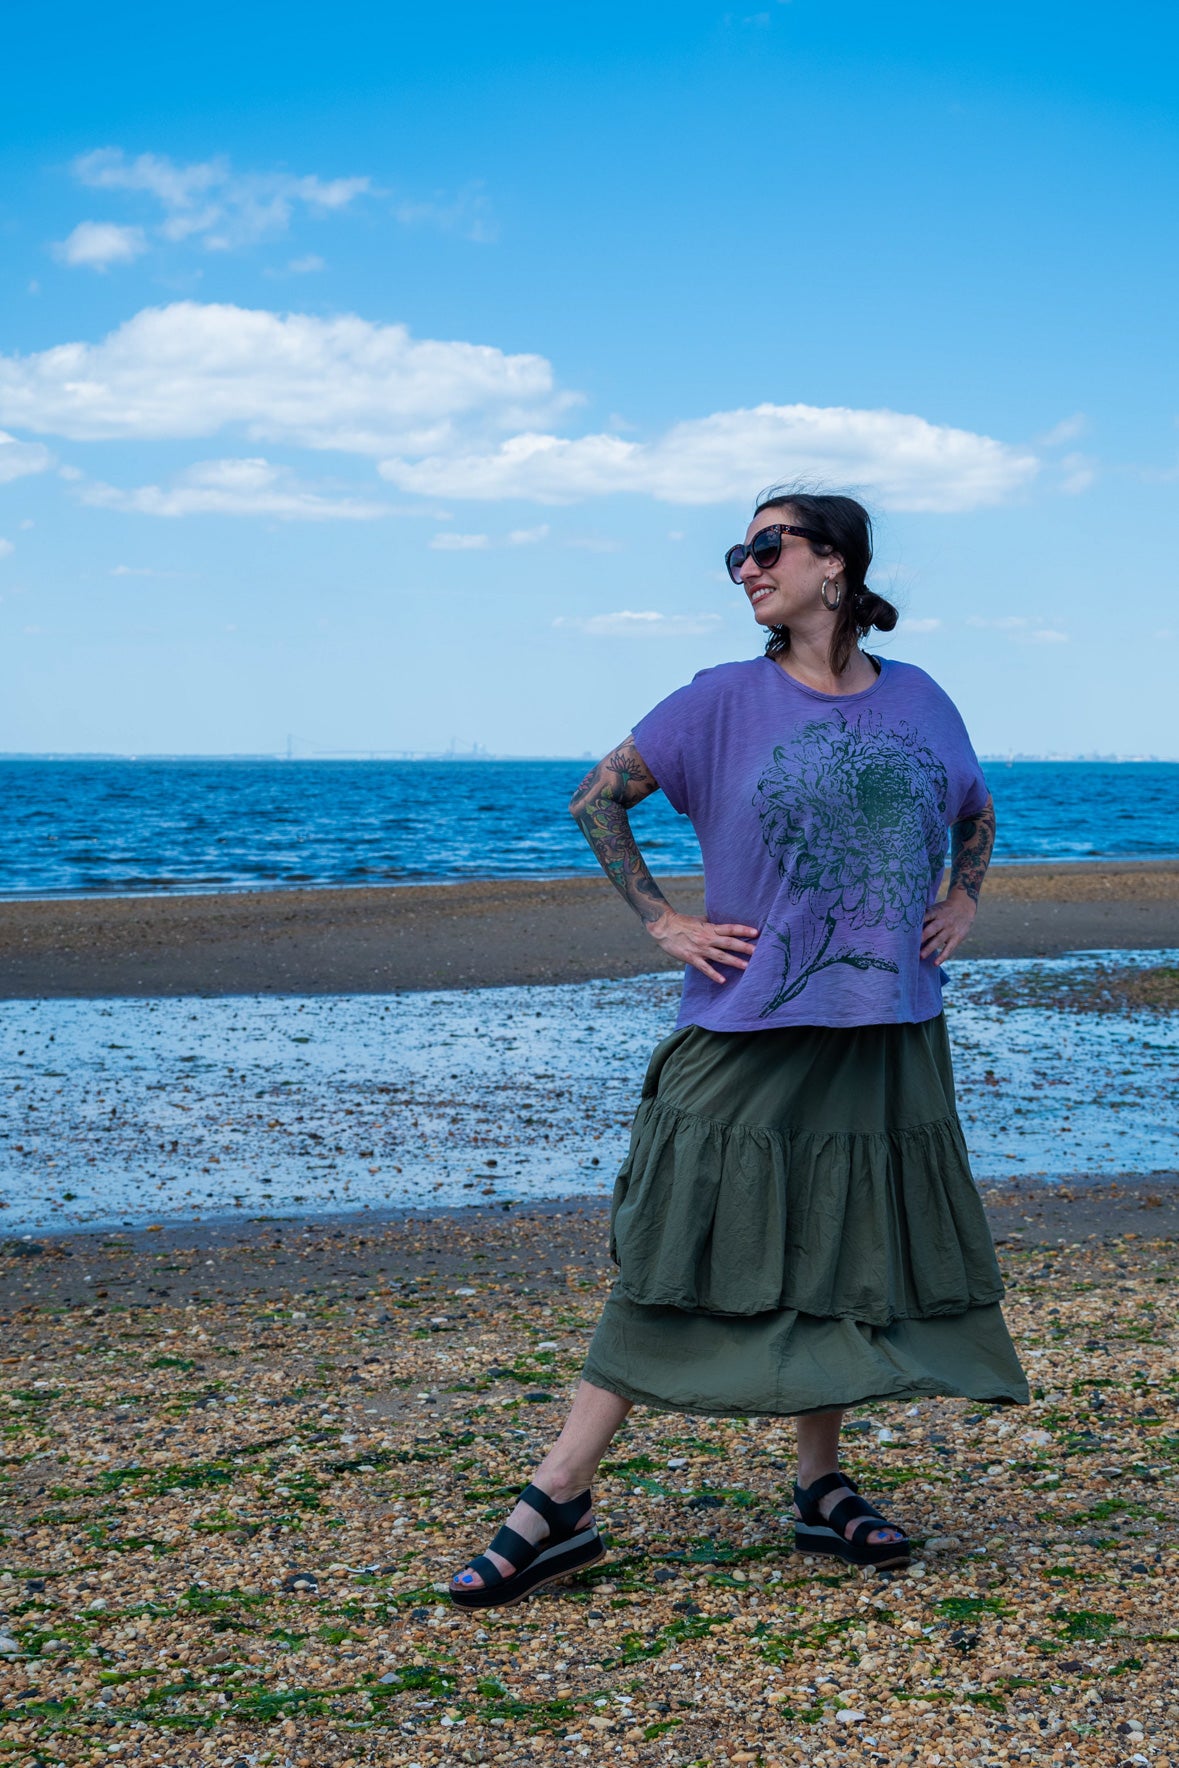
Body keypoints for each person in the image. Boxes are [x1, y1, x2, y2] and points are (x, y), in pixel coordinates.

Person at [449, 487, 1028, 1611]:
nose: (748, 568)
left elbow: (974, 806)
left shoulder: (919, 696)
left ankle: (820, 1484)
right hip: (750, 1019)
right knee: (678, 1235)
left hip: (888, 1025)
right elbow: (597, 798)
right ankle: (560, 1493)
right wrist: (666, 924)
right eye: (738, 553)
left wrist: (964, 898)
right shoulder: (720, 698)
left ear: (836, 565)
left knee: (847, 1243)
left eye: (768, 546)